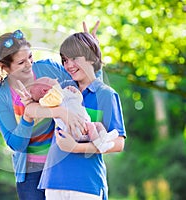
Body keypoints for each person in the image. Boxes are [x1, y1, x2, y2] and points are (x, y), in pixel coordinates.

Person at [0, 29, 86, 200]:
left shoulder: (49, 69)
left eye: (30, 57)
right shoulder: (1, 96)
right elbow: (16, 144)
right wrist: (28, 117)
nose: (29, 64)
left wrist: (92, 58)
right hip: (31, 174)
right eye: (21, 62)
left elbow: (83, 92)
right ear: (5, 68)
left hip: (62, 163)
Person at [36, 29, 127, 199]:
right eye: (65, 60)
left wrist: (76, 147)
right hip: (53, 180)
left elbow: (118, 143)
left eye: (74, 58)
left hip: (86, 183)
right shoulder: (62, 92)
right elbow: (36, 110)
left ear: (91, 57)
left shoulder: (105, 95)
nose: (68, 65)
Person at [28, 76, 119, 153]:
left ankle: (104, 137)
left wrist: (75, 92)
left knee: (98, 125)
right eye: (49, 80)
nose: (54, 79)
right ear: (45, 90)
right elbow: (40, 107)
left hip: (82, 122)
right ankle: (100, 144)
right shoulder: (51, 100)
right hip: (75, 128)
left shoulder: (62, 92)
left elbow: (77, 101)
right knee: (91, 127)